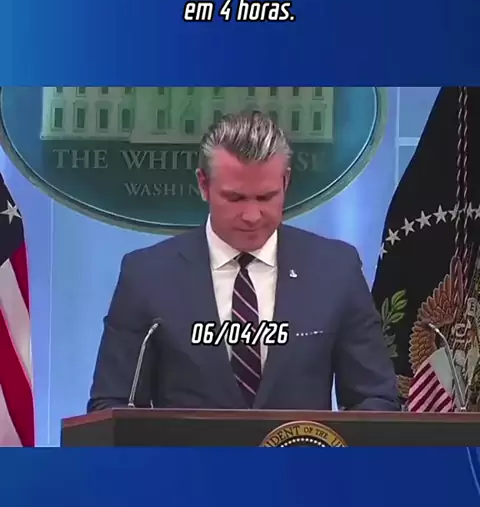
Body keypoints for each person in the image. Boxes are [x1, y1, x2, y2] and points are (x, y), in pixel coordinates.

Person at [87, 111, 399, 413]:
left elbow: (375, 399)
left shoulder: (335, 270)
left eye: (265, 197)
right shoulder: (147, 277)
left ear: (286, 182)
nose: (251, 216)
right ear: (204, 185)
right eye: (235, 198)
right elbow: (113, 404)